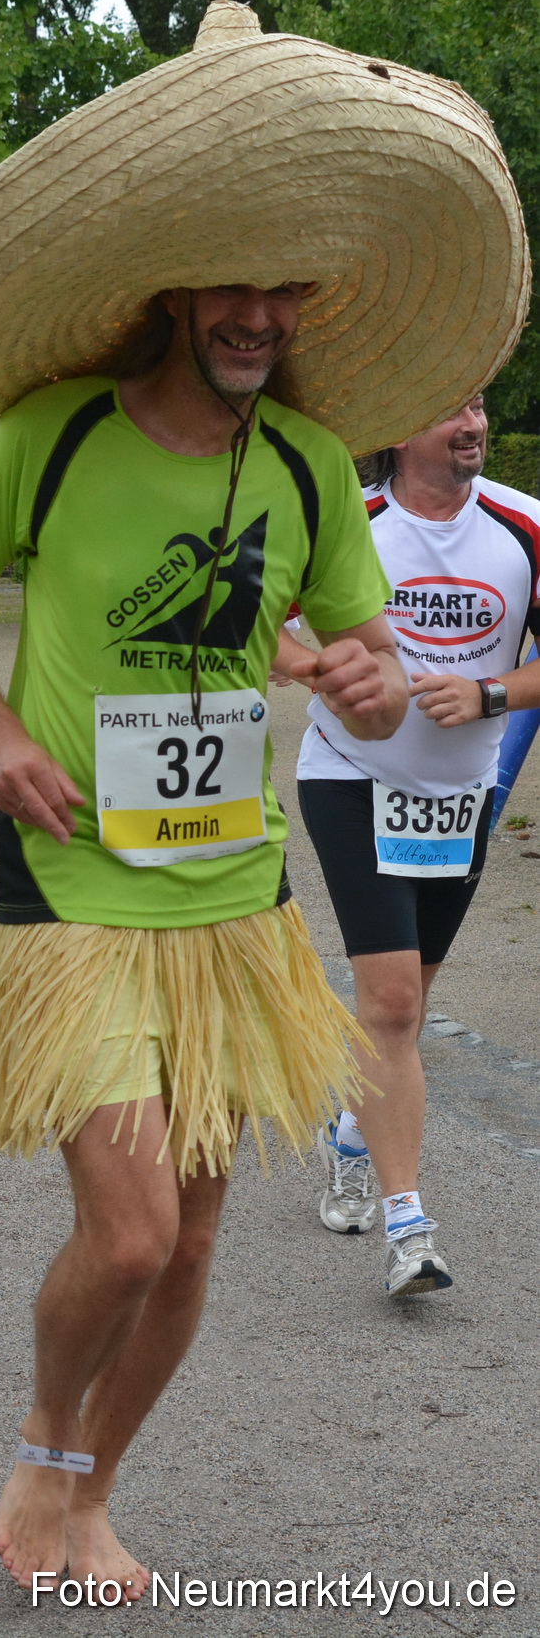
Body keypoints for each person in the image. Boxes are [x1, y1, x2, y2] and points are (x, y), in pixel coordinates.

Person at [0, 1, 526, 1601]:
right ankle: (44, 1447)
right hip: (73, 889)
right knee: (119, 1236)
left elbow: (361, 643)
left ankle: (92, 1495)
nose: (253, 312)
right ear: (174, 289)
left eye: (277, 286)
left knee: (189, 1244)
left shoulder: (313, 464)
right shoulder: (51, 437)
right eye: (228, 282)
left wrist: (371, 677)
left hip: (231, 899)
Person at [287, 392, 540, 1295]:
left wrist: (491, 696)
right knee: (390, 1003)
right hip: (350, 778)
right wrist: (327, 672)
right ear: (398, 427)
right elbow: (253, 622)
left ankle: (351, 1132)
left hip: (460, 795)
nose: (470, 422)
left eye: (477, 405)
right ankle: (409, 1227)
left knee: (406, 1006)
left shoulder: (524, 525)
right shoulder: (341, 521)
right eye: (446, 408)